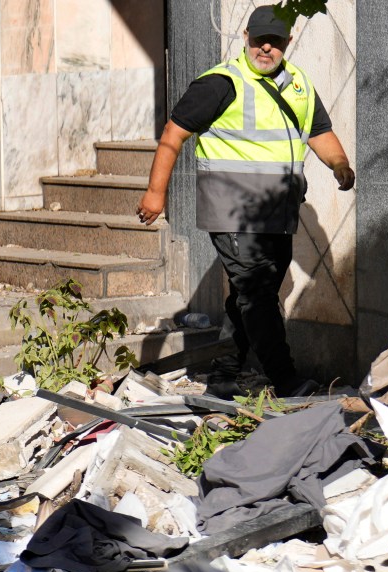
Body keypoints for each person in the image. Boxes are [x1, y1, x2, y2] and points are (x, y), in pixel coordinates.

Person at [136, 4, 354, 394]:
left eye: (275, 42)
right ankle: (285, 379)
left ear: (288, 42)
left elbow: (319, 131)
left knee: (252, 295)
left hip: (279, 212)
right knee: (256, 291)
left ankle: (223, 374)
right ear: (246, 39)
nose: (266, 49)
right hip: (232, 211)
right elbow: (173, 135)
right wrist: (155, 194)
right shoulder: (221, 83)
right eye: (259, 41)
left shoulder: (299, 83)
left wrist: (339, 164)